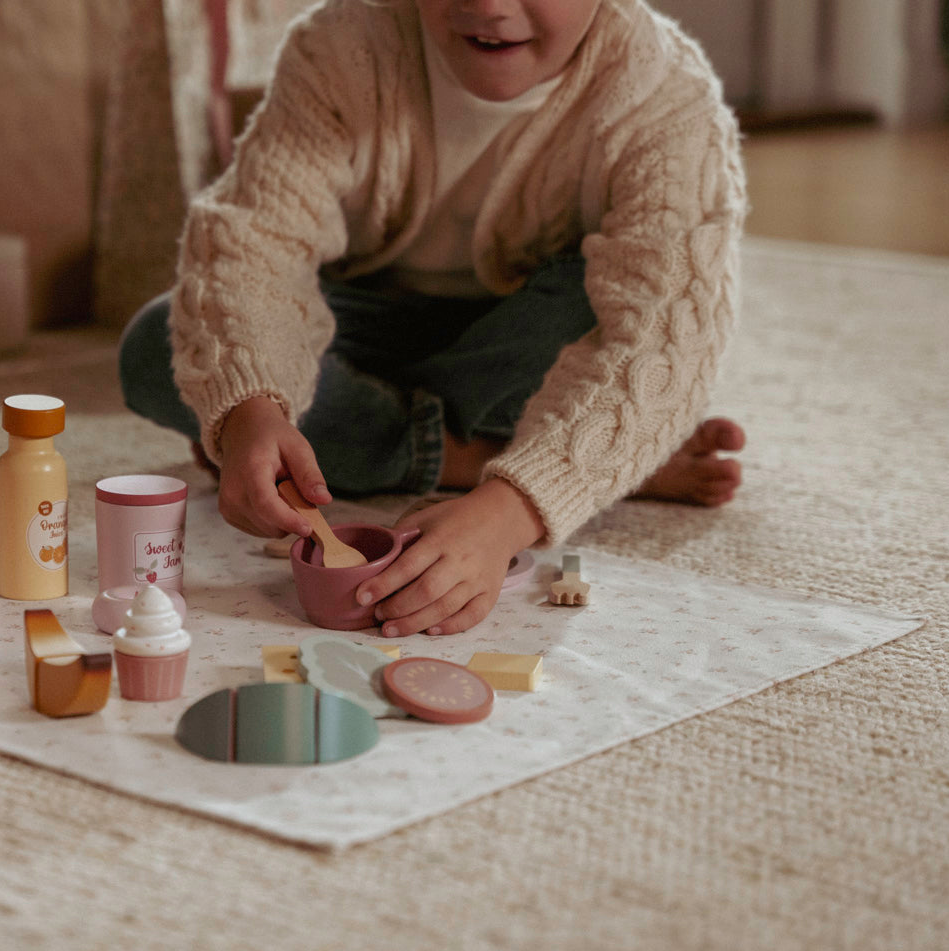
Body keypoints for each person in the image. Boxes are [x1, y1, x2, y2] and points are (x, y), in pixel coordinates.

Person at [118, 0, 747, 638]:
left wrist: (510, 513)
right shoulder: (342, 44)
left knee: (628, 328)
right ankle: (489, 456)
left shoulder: (667, 98)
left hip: (515, 342)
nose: (490, 7)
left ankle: (505, 460)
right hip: (360, 320)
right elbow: (258, 240)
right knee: (157, 348)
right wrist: (254, 411)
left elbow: (662, 333)